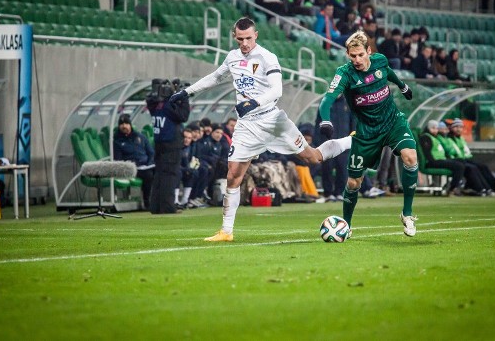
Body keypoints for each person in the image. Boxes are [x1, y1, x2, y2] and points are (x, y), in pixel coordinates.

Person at [168, 17, 352, 241]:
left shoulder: (267, 57)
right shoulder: (232, 57)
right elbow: (215, 77)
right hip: (247, 125)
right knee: (233, 175)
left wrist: (253, 102)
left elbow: (277, 90)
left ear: (256, 35)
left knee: (312, 157)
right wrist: (187, 92)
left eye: (248, 38)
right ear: (235, 37)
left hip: (273, 121)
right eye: (240, 39)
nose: (244, 43)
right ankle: (226, 231)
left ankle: (351, 140)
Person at [318, 30, 418, 237]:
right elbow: (327, 99)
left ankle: (407, 214)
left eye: (360, 55)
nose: (357, 60)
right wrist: (326, 119)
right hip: (367, 131)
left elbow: (389, 72)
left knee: (410, 156)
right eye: (352, 56)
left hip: (392, 121)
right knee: (354, 182)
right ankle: (346, 224)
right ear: (348, 55)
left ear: (369, 52)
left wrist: (402, 86)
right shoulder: (344, 73)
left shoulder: (380, 61)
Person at [146, 79, 190, 214]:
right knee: (170, 175)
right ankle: (167, 207)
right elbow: (183, 116)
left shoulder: (155, 105)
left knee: (159, 175)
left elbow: (150, 99)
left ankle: (155, 206)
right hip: (171, 143)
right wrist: (183, 97)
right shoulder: (167, 106)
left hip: (160, 143)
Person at [447, 118, 495, 194]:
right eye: (456, 127)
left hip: (464, 159)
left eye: (460, 127)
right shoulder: (449, 139)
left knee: (482, 166)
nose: (458, 129)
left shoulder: (460, 138)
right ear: (451, 128)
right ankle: (483, 188)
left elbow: (464, 152)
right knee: (473, 168)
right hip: (457, 160)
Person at [113, 113, 155, 210]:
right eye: (122, 124)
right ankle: (147, 202)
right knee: (148, 175)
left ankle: (162, 200)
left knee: (161, 172)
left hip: (146, 165)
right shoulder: (117, 141)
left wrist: (149, 163)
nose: (124, 126)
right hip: (131, 168)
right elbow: (118, 160)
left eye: (126, 124)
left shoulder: (140, 137)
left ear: (130, 125)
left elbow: (151, 152)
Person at [314, 95, 352, 202]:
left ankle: (339, 193)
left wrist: (353, 138)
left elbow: (353, 122)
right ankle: (328, 193)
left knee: (342, 169)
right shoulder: (325, 102)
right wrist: (317, 141)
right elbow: (318, 123)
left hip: (343, 143)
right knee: (327, 169)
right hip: (327, 143)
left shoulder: (348, 103)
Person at [419, 120, 465, 196]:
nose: (435, 130)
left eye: (436, 128)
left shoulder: (435, 137)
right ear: (428, 128)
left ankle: (455, 185)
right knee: (459, 166)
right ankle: (452, 189)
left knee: (462, 161)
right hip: (433, 161)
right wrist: (433, 162)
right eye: (433, 128)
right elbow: (427, 153)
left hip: (440, 160)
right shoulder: (426, 137)